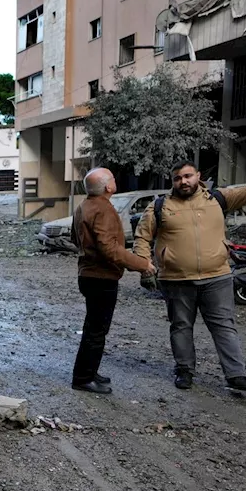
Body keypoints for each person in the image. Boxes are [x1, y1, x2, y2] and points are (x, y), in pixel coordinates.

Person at [134, 156, 246, 392]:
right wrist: (144, 266)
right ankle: (184, 371)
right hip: (177, 280)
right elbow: (142, 237)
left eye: (188, 176)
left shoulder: (218, 199)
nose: (183, 182)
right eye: (177, 178)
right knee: (180, 326)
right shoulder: (160, 206)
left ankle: (235, 375)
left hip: (217, 277)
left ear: (198, 176)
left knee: (224, 326)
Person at [70, 168, 156, 394]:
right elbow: (110, 249)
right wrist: (142, 264)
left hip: (88, 274)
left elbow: (74, 238)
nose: (115, 181)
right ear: (109, 187)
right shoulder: (103, 209)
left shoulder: (83, 206)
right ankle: (83, 378)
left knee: (94, 328)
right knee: (96, 330)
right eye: (113, 179)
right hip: (101, 277)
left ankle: (89, 371)